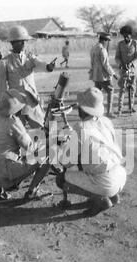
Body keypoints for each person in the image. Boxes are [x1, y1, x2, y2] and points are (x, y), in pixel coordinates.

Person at [56, 87, 127, 216]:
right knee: (89, 165)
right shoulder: (106, 121)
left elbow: (66, 162)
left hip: (105, 182)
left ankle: (100, 199)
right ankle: (110, 195)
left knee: (61, 179)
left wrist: (62, 144)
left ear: (82, 109)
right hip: (120, 174)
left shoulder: (81, 127)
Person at [0, 88, 50, 200]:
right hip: (5, 169)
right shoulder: (14, 122)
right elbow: (30, 147)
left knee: (4, 154)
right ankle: (32, 191)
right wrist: (47, 140)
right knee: (47, 156)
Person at [0, 25, 56, 128]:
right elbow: (1, 88)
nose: (24, 43)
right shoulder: (4, 63)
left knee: (42, 128)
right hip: (16, 103)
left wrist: (48, 67)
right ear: (13, 43)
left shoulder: (30, 57)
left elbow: (39, 63)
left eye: (25, 41)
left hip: (32, 101)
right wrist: (4, 107)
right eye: (21, 41)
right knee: (18, 132)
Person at [115, 25, 137, 116]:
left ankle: (131, 106)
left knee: (133, 89)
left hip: (134, 70)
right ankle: (120, 108)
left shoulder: (135, 43)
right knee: (122, 89)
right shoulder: (120, 44)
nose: (126, 37)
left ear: (131, 35)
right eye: (124, 35)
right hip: (124, 70)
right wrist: (121, 65)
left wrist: (132, 63)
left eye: (127, 35)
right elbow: (117, 58)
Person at [89, 32, 116, 118]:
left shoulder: (93, 48)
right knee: (110, 91)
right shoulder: (102, 50)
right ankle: (109, 112)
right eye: (107, 40)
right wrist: (113, 74)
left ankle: (95, 112)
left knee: (97, 93)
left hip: (95, 75)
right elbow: (106, 64)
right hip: (103, 76)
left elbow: (92, 62)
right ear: (103, 40)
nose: (107, 42)